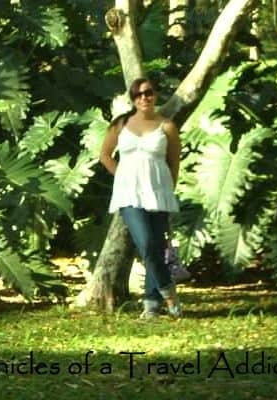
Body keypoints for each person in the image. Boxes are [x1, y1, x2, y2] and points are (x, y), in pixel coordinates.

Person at [99, 78, 182, 318]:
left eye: (148, 93)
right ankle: (170, 294)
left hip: (158, 192)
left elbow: (174, 162)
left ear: (155, 95)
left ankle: (151, 304)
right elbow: (105, 155)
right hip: (128, 194)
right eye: (138, 95)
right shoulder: (121, 124)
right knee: (145, 243)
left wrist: (169, 189)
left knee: (155, 246)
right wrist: (123, 176)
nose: (143, 98)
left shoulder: (166, 126)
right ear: (133, 99)